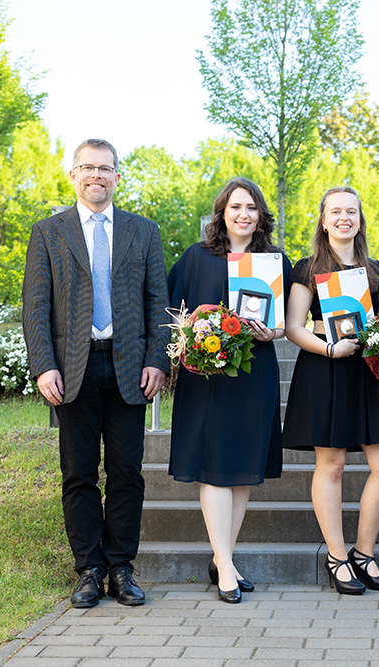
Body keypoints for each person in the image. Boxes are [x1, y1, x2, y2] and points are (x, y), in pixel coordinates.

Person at [22, 138, 169, 608]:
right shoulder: (48, 232)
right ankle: (89, 568)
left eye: (105, 169)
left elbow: (157, 303)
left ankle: (122, 568)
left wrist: (158, 359)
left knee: (127, 473)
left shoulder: (143, 231)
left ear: (117, 177)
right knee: (79, 473)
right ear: (73, 175)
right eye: (87, 168)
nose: (96, 176)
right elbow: (35, 307)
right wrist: (44, 365)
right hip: (71, 370)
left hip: (129, 368)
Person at [166, 178, 291, 604]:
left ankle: (225, 559)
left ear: (261, 216)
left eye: (252, 207)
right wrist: (195, 336)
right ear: (221, 213)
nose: (243, 214)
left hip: (254, 377)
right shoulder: (196, 258)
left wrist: (271, 331)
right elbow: (173, 313)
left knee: (241, 475)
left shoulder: (274, 261)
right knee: (216, 469)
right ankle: (225, 570)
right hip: (207, 379)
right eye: (236, 206)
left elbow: (285, 323)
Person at [282, 187, 379, 595]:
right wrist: (330, 348)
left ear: (360, 218)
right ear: (323, 218)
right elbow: (293, 327)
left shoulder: (377, 269)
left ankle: (363, 553)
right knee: (330, 465)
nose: (344, 218)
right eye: (336, 211)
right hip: (324, 368)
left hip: (367, 373)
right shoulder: (308, 266)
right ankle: (337, 557)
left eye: (351, 211)